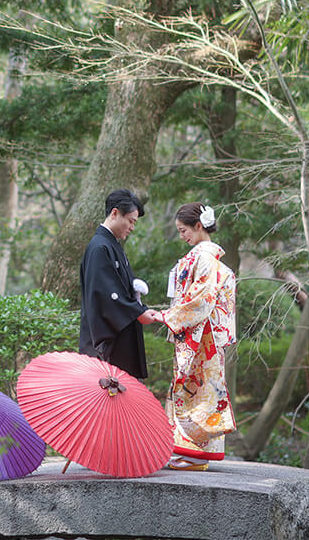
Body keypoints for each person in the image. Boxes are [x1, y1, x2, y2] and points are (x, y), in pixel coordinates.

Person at [160, 201, 237, 471]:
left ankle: (194, 455)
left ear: (198, 225)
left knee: (193, 391)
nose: (182, 236)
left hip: (199, 336)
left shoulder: (202, 257)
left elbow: (201, 300)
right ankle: (195, 453)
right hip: (205, 335)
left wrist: (168, 317)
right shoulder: (208, 257)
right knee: (203, 391)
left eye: (184, 230)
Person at [78, 188, 161, 379]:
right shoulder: (100, 247)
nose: (132, 227)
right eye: (131, 221)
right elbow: (106, 295)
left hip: (118, 341)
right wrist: (138, 313)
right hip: (106, 345)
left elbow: (123, 291)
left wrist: (140, 309)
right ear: (115, 213)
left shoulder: (111, 245)